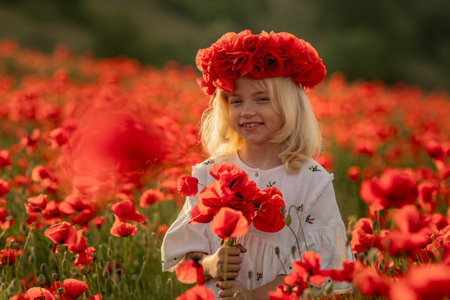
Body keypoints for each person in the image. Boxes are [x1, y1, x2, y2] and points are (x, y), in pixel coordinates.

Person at [161, 30, 353, 299]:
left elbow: (319, 270)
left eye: (262, 99)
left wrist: (256, 295)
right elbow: (183, 262)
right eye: (236, 101)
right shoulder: (209, 173)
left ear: (290, 105)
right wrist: (210, 264)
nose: (247, 111)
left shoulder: (311, 180)